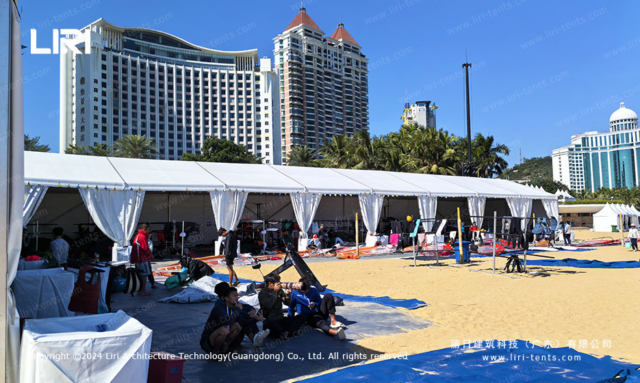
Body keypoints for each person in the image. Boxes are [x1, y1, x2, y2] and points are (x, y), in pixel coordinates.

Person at [259, 275, 306, 340]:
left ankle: (286, 332)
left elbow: (288, 303)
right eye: (277, 282)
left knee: (301, 317)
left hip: (280, 319)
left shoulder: (280, 291)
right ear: (270, 284)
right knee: (270, 324)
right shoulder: (262, 293)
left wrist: (287, 295)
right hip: (270, 320)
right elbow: (268, 305)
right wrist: (274, 292)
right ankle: (289, 331)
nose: (279, 284)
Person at [130, 223, 153, 296]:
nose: (149, 231)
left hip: (139, 258)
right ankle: (142, 290)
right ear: (145, 229)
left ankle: (141, 290)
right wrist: (150, 255)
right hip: (142, 258)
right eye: (148, 229)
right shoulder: (142, 236)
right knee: (143, 274)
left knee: (141, 274)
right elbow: (145, 248)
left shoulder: (138, 236)